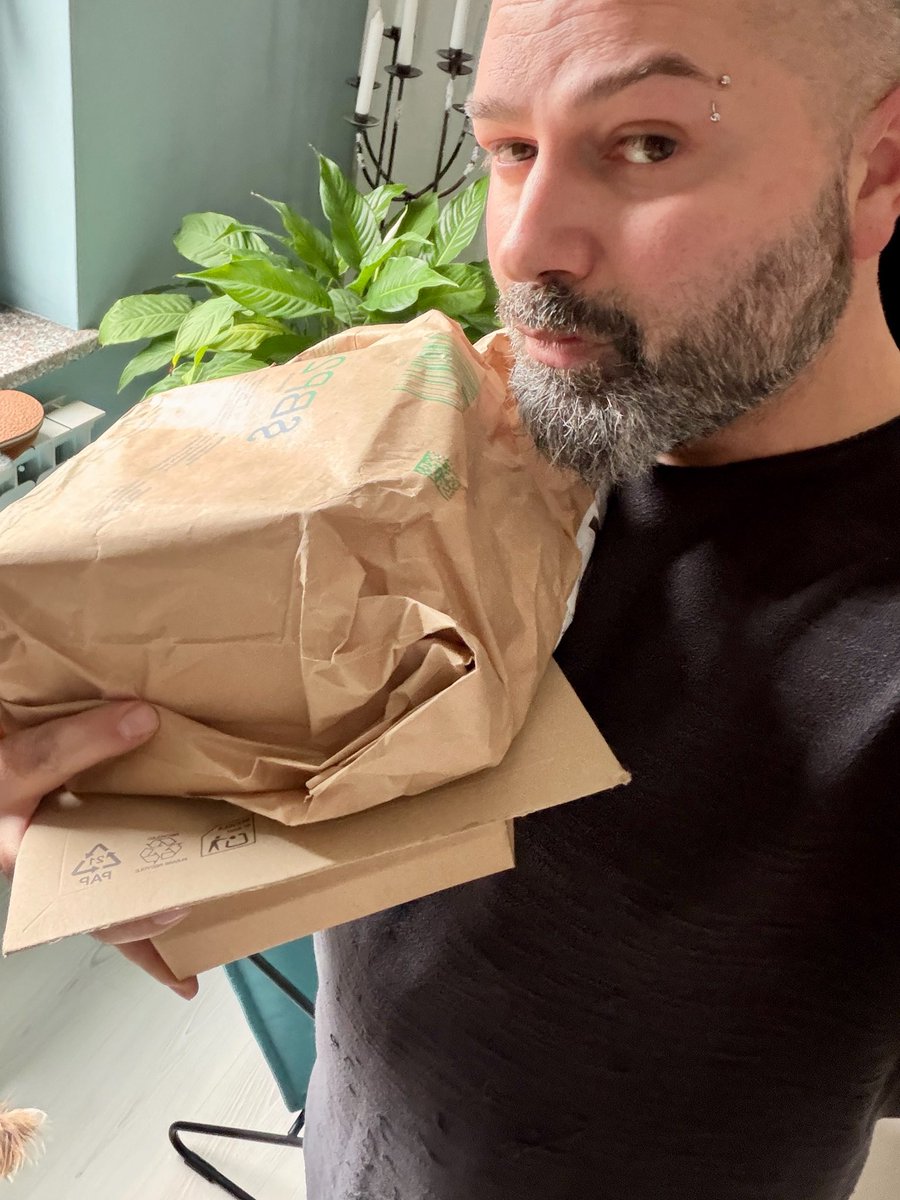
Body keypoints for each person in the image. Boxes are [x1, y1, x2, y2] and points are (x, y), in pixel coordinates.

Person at [1, 0, 898, 1195]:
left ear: (878, 168)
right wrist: (126, 824)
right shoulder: (453, 440)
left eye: (648, 143)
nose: (524, 246)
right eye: (510, 148)